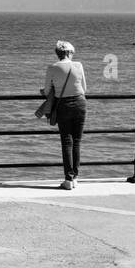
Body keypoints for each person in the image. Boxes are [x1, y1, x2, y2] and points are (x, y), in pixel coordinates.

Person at [43, 40, 87, 189]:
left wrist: (46, 92)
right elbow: (84, 88)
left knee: (67, 142)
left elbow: (48, 91)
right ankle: (75, 178)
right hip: (80, 103)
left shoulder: (52, 68)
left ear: (58, 53)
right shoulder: (78, 65)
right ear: (69, 53)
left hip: (63, 105)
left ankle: (68, 179)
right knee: (77, 141)